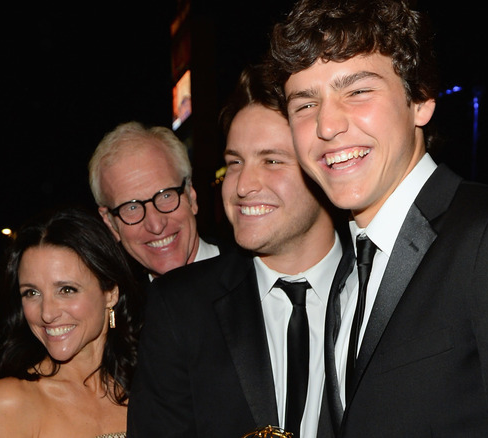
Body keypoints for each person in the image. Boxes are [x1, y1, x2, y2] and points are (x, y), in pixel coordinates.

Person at [268, 0, 488, 436]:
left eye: (357, 91)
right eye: (305, 104)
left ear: (421, 101)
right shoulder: (350, 268)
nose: (327, 125)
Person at [128, 64, 351, 438]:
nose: (243, 185)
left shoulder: (383, 288)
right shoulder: (180, 307)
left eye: (272, 160)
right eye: (234, 163)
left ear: (323, 166)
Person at [0, 207, 141, 438]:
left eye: (66, 290)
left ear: (111, 293)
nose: (47, 313)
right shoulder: (11, 401)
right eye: (32, 293)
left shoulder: (148, 385)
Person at [89, 121, 222, 281]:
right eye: (132, 207)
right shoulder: (124, 304)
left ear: (191, 195)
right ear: (110, 223)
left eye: (166, 196)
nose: (156, 226)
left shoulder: (253, 276)